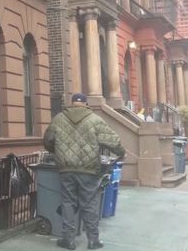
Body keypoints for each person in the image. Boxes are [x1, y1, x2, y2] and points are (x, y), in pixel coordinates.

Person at [43, 93, 126, 250]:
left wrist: (56, 151)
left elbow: (48, 141)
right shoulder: (94, 119)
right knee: (89, 204)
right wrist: (121, 152)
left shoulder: (59, 118)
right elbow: (113, 141)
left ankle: (69, 239)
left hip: (66, 169)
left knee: (68, 202)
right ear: (86, 104)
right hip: (88, 170)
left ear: (72, 103)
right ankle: (93, 240)